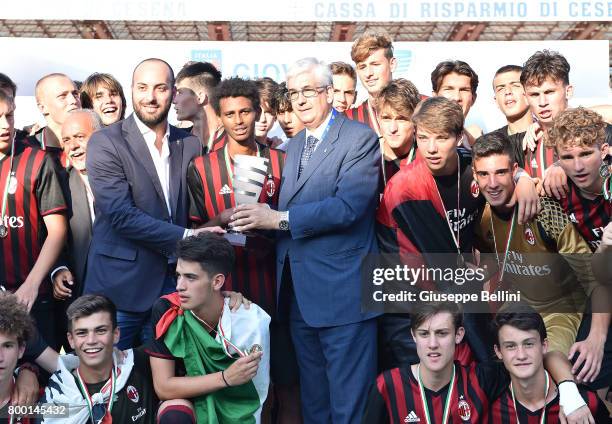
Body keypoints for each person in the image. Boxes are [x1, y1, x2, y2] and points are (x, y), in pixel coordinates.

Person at [230, 57, 380, 423]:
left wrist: (277, 218)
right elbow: (285, 216)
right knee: (314, 403)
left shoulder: (359, 138)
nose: (299, 100)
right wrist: (249, 220)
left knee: (349, 405)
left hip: (343, 294)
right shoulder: (293, 146)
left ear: (329, 93)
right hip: (298, 297)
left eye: (308, 91)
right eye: (293, 92)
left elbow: (347, 207)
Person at [83, 58, 218, 349]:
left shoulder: (190, 144)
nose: (151, 97)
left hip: (173, 291)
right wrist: (186, 237)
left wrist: (224, 218)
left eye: (160, 88)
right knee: (114, 385)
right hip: (120, 291)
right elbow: (121, 215)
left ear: (173, 92)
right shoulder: (106, 143)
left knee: (166, 385)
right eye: (143, 87)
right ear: (132, 90)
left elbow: (194, 211)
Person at [472, 132, 610, 380]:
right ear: (475, 176)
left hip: (563, 310)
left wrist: (596, 339)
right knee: (492, 365)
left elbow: (595, 280)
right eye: (484, 174)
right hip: (519, 307)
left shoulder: (545, 211)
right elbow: (495, 258)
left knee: (543, 365)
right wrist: (476, 274)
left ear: (514, 170)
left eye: (501, 172)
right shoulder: (481, 218)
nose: (492, 183)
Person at [363, 301, 597, 423]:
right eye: (424, 334)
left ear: (459, 335)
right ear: (413, 337)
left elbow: (540, 358)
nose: (432, 344)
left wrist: (569, 391)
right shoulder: (388, 385)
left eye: (442, 333)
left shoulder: (481, 379)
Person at [146, 233, 270, 423]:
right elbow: (163, 387)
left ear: (217, 282)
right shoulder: (167, 309)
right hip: (191, 401)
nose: (179, 286)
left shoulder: (249, 319)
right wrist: (225, 377)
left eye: (190, 277)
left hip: (237, 406)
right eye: (178, 275)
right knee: (175, 414)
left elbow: (258, 388)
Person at [547, 107, 612, 398]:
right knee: (583, 365)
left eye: (586, 153)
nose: (578, 166)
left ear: (605, 150)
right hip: (600, 290)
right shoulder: (557, 197)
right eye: (568, 157)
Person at [0, 90, 68, 349]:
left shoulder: (37, 160)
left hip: (32, 298)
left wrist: (31, 285)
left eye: (9, 115)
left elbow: (57, 231)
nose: (5, 125)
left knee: (37, 379)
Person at [41, 294, 161, 424]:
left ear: (116, 334)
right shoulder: (57, 394)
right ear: (71, 340)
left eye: (100, 331)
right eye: (82, 333)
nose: (91, 340)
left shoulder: (138, 363)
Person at [490, 308, 609, 423]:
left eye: (529, 344)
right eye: (510, 346)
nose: (521, 355)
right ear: (498, 352)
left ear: (544, 346)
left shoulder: (583, 404)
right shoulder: (490, 405)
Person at [50, 109, 102, 352]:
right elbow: (47, 234)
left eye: (80, 137)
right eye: (67, 140)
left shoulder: (126, 178)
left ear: (101, 137)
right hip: (79, 300)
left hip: (126, 300)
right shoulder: (60, 182)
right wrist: (57, 268)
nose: (74, 146)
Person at [345, 31, 396, 135]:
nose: (368, 73)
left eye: (375, 64)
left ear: (392, 64)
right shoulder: (348, 119)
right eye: (362, 67)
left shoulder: (418, 108)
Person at [27, 73, 81, 167]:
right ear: (43, 108)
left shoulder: (96, 142)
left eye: (75, 94)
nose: (73, 100)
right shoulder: (29, 149)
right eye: (62, 96)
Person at [376, 78, 421, 191]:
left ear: (415, 120)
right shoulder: (364, 155)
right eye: (386, 118)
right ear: (378, 119)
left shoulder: (427, 157)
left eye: (401, 119)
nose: (393, 128)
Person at [0, 293, 37, 423]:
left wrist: (29, 371)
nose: (0, 357)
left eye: (7, 346)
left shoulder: (41, 404)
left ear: (21, 350)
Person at [174, 61, 224, 153]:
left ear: (200, 98)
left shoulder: (233, 141)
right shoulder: (177, 141)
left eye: (180, 93)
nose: (174, 101)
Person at [488, 64, 533, 167]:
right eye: (500, 89)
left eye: (515, 86)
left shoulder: (549, 135)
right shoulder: (491, 142)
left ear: (529, 93)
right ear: (496, 101)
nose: (508, 92)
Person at [431, 60, 483, 144]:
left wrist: (478, 146)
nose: (456, 97)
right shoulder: (416, 139)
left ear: (473, 99)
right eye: (449, 89)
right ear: (435, 97)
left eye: (464, 90)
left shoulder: (478, 142)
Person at [269, 82, 304, 151]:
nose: (286, 120)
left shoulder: (324, 145)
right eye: (281, 112)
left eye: (292, 111)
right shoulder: (280, 152)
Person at [254, 77, 282, 148]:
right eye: (257, 110)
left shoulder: (279, 148)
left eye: (268, 112)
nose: (262, 119)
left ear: (276, 116)